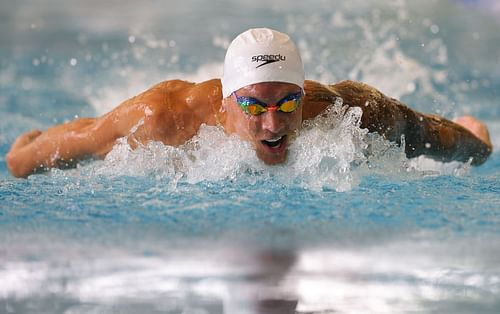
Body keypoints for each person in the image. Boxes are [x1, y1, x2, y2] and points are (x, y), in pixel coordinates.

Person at [6, 28, 492, 178]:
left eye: (288, 102)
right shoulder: (162, 120)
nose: (275, 122)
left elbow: (425, 131)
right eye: (255, 107)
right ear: (227, 100)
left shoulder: (340, 110)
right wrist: (26, 151)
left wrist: (475, 142)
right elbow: (28, 159)